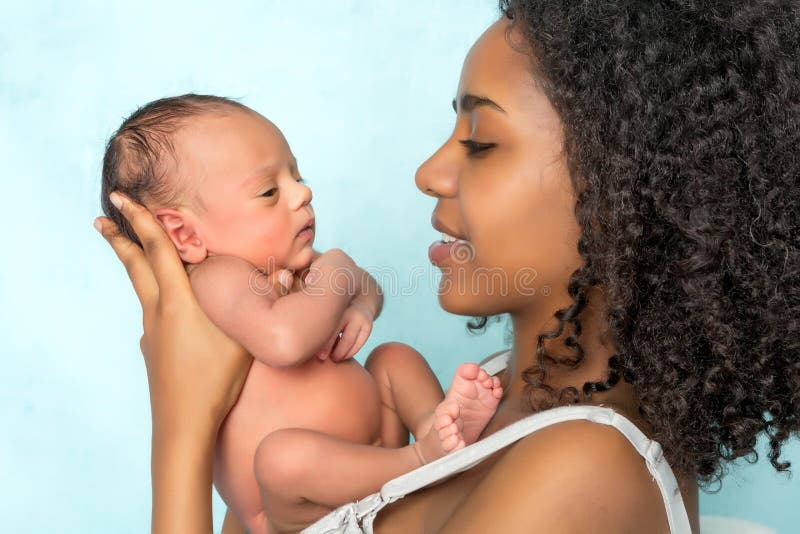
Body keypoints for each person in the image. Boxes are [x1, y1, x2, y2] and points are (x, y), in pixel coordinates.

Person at [94, 1, 800, 532]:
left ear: (630, 188)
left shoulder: (581, 470)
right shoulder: (493, 392)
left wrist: (183, 429)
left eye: (482, 141)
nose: (429, 172)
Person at [99, 95, 503, 533]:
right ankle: (424, 458)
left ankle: (438, 427)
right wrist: (340, 270)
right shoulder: (218, 278)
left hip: (376, 452)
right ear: (185, 234)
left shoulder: (291, 263)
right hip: (296, 506)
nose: (303, 193)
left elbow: (366, 286)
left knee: (392, 356)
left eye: (297, 176)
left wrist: (362, 303)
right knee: (281, 458)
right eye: (269, 191)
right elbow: (283, 342)